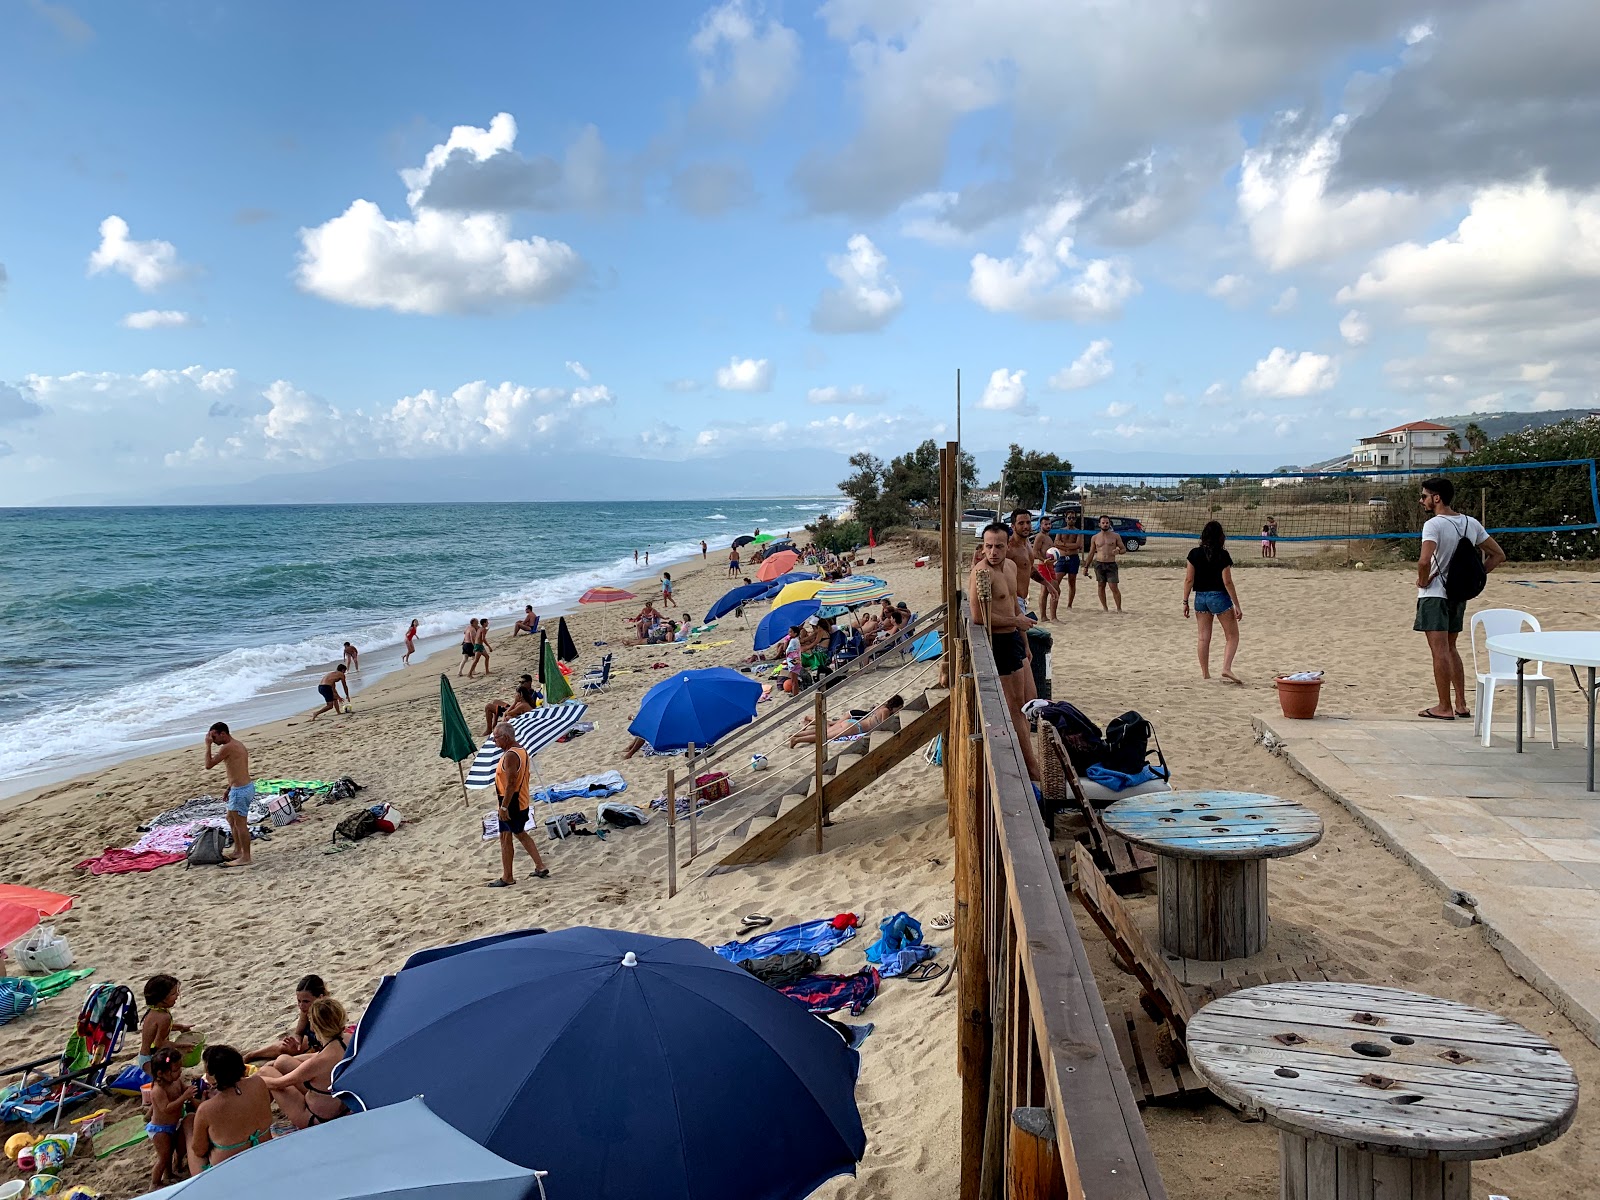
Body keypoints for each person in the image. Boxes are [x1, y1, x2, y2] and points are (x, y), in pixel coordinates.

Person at [1415, 477, 1504, 720]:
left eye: (1424, 496)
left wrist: (1423, 580)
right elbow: (1498, 555)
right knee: (1451, 647)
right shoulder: (1470, 523)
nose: (1421, 500)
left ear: (1437, 498)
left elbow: (1424, 561)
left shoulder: (1434, 525)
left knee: (1439, 650)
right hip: (1458, 593)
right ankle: (1461, 704)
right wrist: (1476, 576)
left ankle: (1444, 707)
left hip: (1434, 594)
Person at [969, 523, 1044, 783]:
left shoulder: (1010, 567)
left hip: (1013, 638)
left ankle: (1030, 759)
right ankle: (1032, 769)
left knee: (1031, 699)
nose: (993, 552)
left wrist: (1023, 640)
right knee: (1015, 708)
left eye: (998, 546)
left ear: (1006, 544)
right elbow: (979, 618)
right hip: (999, 642)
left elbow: (1014, 606)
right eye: (988, 546)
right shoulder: (981, 574)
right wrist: (1016, 624)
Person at [256, 997, 350, 1129]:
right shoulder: (348, 1040)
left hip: (315, 1118)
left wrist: (254, 1079)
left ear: (314, 1026)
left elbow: (279, 1083)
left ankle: (251, 1115)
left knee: (266, 1072)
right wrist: (276, 1061)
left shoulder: (318, 1062)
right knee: (282, 1061)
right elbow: (317, 1057)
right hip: (342, 1105)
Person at [188, 1045, 274, 1173]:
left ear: (215, 1076)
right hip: (264, 1150)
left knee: (188, 1122)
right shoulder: (259, 1083)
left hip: (228, 1171)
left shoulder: (206, 1109)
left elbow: (199, 1150)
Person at [486, 722, 550, 886]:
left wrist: (504, 807)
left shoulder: (510, 755)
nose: (494, 741)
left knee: (505, 838)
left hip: (511, 801)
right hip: (519, 800)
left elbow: (511, 783)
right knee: (520, 833)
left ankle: (508, 877)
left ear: (505, 738)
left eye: (496, 738)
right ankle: (540, 866)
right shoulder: (520, 750)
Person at [1183, 521, 1245, 684]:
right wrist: (1237, 604)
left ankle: (1205, 674)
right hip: (1219, 597)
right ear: (1220, 537)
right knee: (1232, 636)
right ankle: (1226, 668)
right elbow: (1227, 582)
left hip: (1200, 598)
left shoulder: (1194, 553)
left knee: (1203, 638)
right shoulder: (1222, 554)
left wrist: (1185, 601)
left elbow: (1189, 579)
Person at [202, 722, 255, 867]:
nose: (213, 740)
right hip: (241, 787)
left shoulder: (228, 747)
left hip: (241, 790)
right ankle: (238, 851)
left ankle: (246, 857)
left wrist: (207, 746)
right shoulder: (237, 744)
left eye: (214, 736)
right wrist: (228, 788)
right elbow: (237, 771)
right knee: (231, 819)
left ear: (222, 734)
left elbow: (208, 765)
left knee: (240, 824)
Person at [245, 974, 330, 1063]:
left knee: (281, 1062)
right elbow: (299, 1033)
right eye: (299, 1001)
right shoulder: (307, 1010)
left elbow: (328, 1048)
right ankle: (251, 1055)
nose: (301, 1005)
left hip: (322, 1053)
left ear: (320, 998)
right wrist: (296, 1043)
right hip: (311, 1046)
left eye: (306, 1001)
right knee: (284, 1048)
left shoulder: (327, 1015)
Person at [146, 1046, 196, 1188]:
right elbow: (166, 1108)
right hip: (160, 1129)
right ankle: (155, 1183)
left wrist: (192, 1087)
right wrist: (184, 1097)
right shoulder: (158, 1090)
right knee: (164, 1157)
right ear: (161, 1073)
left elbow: (184, 1088)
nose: (179, 1072)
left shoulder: (176, 1081)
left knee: (177, 1148)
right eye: (175, 1070)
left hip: (174, 1124)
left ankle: (171, 1172)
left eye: (180, 1068)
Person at [789, 695, 904, 747]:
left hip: (852, 723)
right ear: (896, 706)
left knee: (824, 731)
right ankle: (797, 740)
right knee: (825, 737)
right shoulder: (886, 711)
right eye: (899, 708)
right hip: (856, 727)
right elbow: (883, 727)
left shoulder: (881, 706)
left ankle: (796, 735)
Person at [139, 974, 192, 1072]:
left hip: (144, 1056)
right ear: (162, 998)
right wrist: (180, 1046)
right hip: (151, 1061)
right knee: (168, 1081)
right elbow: (159, 1043)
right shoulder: (164, 1017)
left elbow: (158, 1029)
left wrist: (180, 1027)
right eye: (173, 994)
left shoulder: (154, 1010)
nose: (177, 995)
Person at [1088, 514, 1127, 612]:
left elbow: (1123, 549)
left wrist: (1118, 551)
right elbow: (1091, 553)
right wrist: (1086, 566)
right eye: (1103, 523)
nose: (1105, 524)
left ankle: (1119, 608)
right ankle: (1105, 608)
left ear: (1110, 524)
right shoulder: (1095, 537)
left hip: (1111, 564)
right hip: (1099, 564)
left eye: (1107, 523)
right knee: (1101, 586)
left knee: (1113, 587)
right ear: (1099, 524)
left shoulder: (1115, 536)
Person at [1031, 514, 1062, 621]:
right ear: (1040, 525)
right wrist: (1044, 559)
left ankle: (1044, 617)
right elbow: (1035, 552)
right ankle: (1053, 617)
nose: (1048, 526)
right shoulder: (1040, 536)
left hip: (1049, 566)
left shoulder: (1047, 537)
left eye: (1049, 524)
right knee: (1055, 590)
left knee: (1045, 591)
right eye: (1046, 524)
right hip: (1044, 566)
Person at [1054, 515, 1085, 609]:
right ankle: (1055, 601)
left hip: (1073, 558)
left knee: (1072, 582)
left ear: (1075, 520)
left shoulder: (1078, 531)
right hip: (1062, 558)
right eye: (1069, 518)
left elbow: (1078, 545)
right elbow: (1056, 543)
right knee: (1056, 582)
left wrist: (1063, 545)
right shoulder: (1061, 530)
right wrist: (1068, 546)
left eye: (1073, 518)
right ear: (1065, 519)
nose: (1071, 520)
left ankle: (1069, 604)